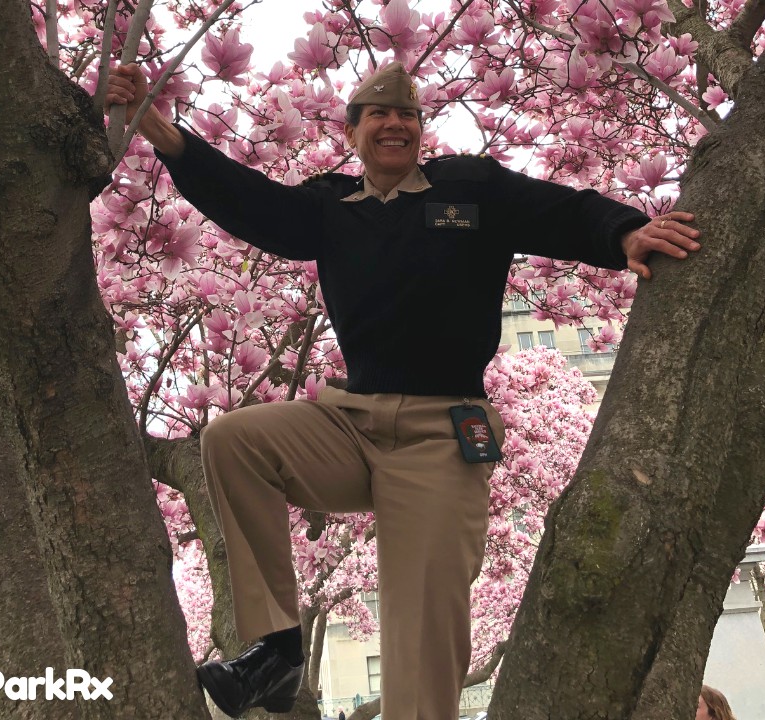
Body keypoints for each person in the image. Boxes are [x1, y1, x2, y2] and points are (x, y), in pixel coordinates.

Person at [105, 61, 701, 719]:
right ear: (353, 133)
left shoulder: (469, 187)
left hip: (441, 436)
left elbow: (559, 210)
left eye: (408, 115)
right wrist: (165, 134)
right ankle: (275, 653)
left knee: (422, 623)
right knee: (232, 440)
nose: (395, 124)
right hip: (350, 425)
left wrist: (625, 233)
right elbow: (252, 202)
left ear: (420, 129)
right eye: (379, 116)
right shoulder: (330, 208)